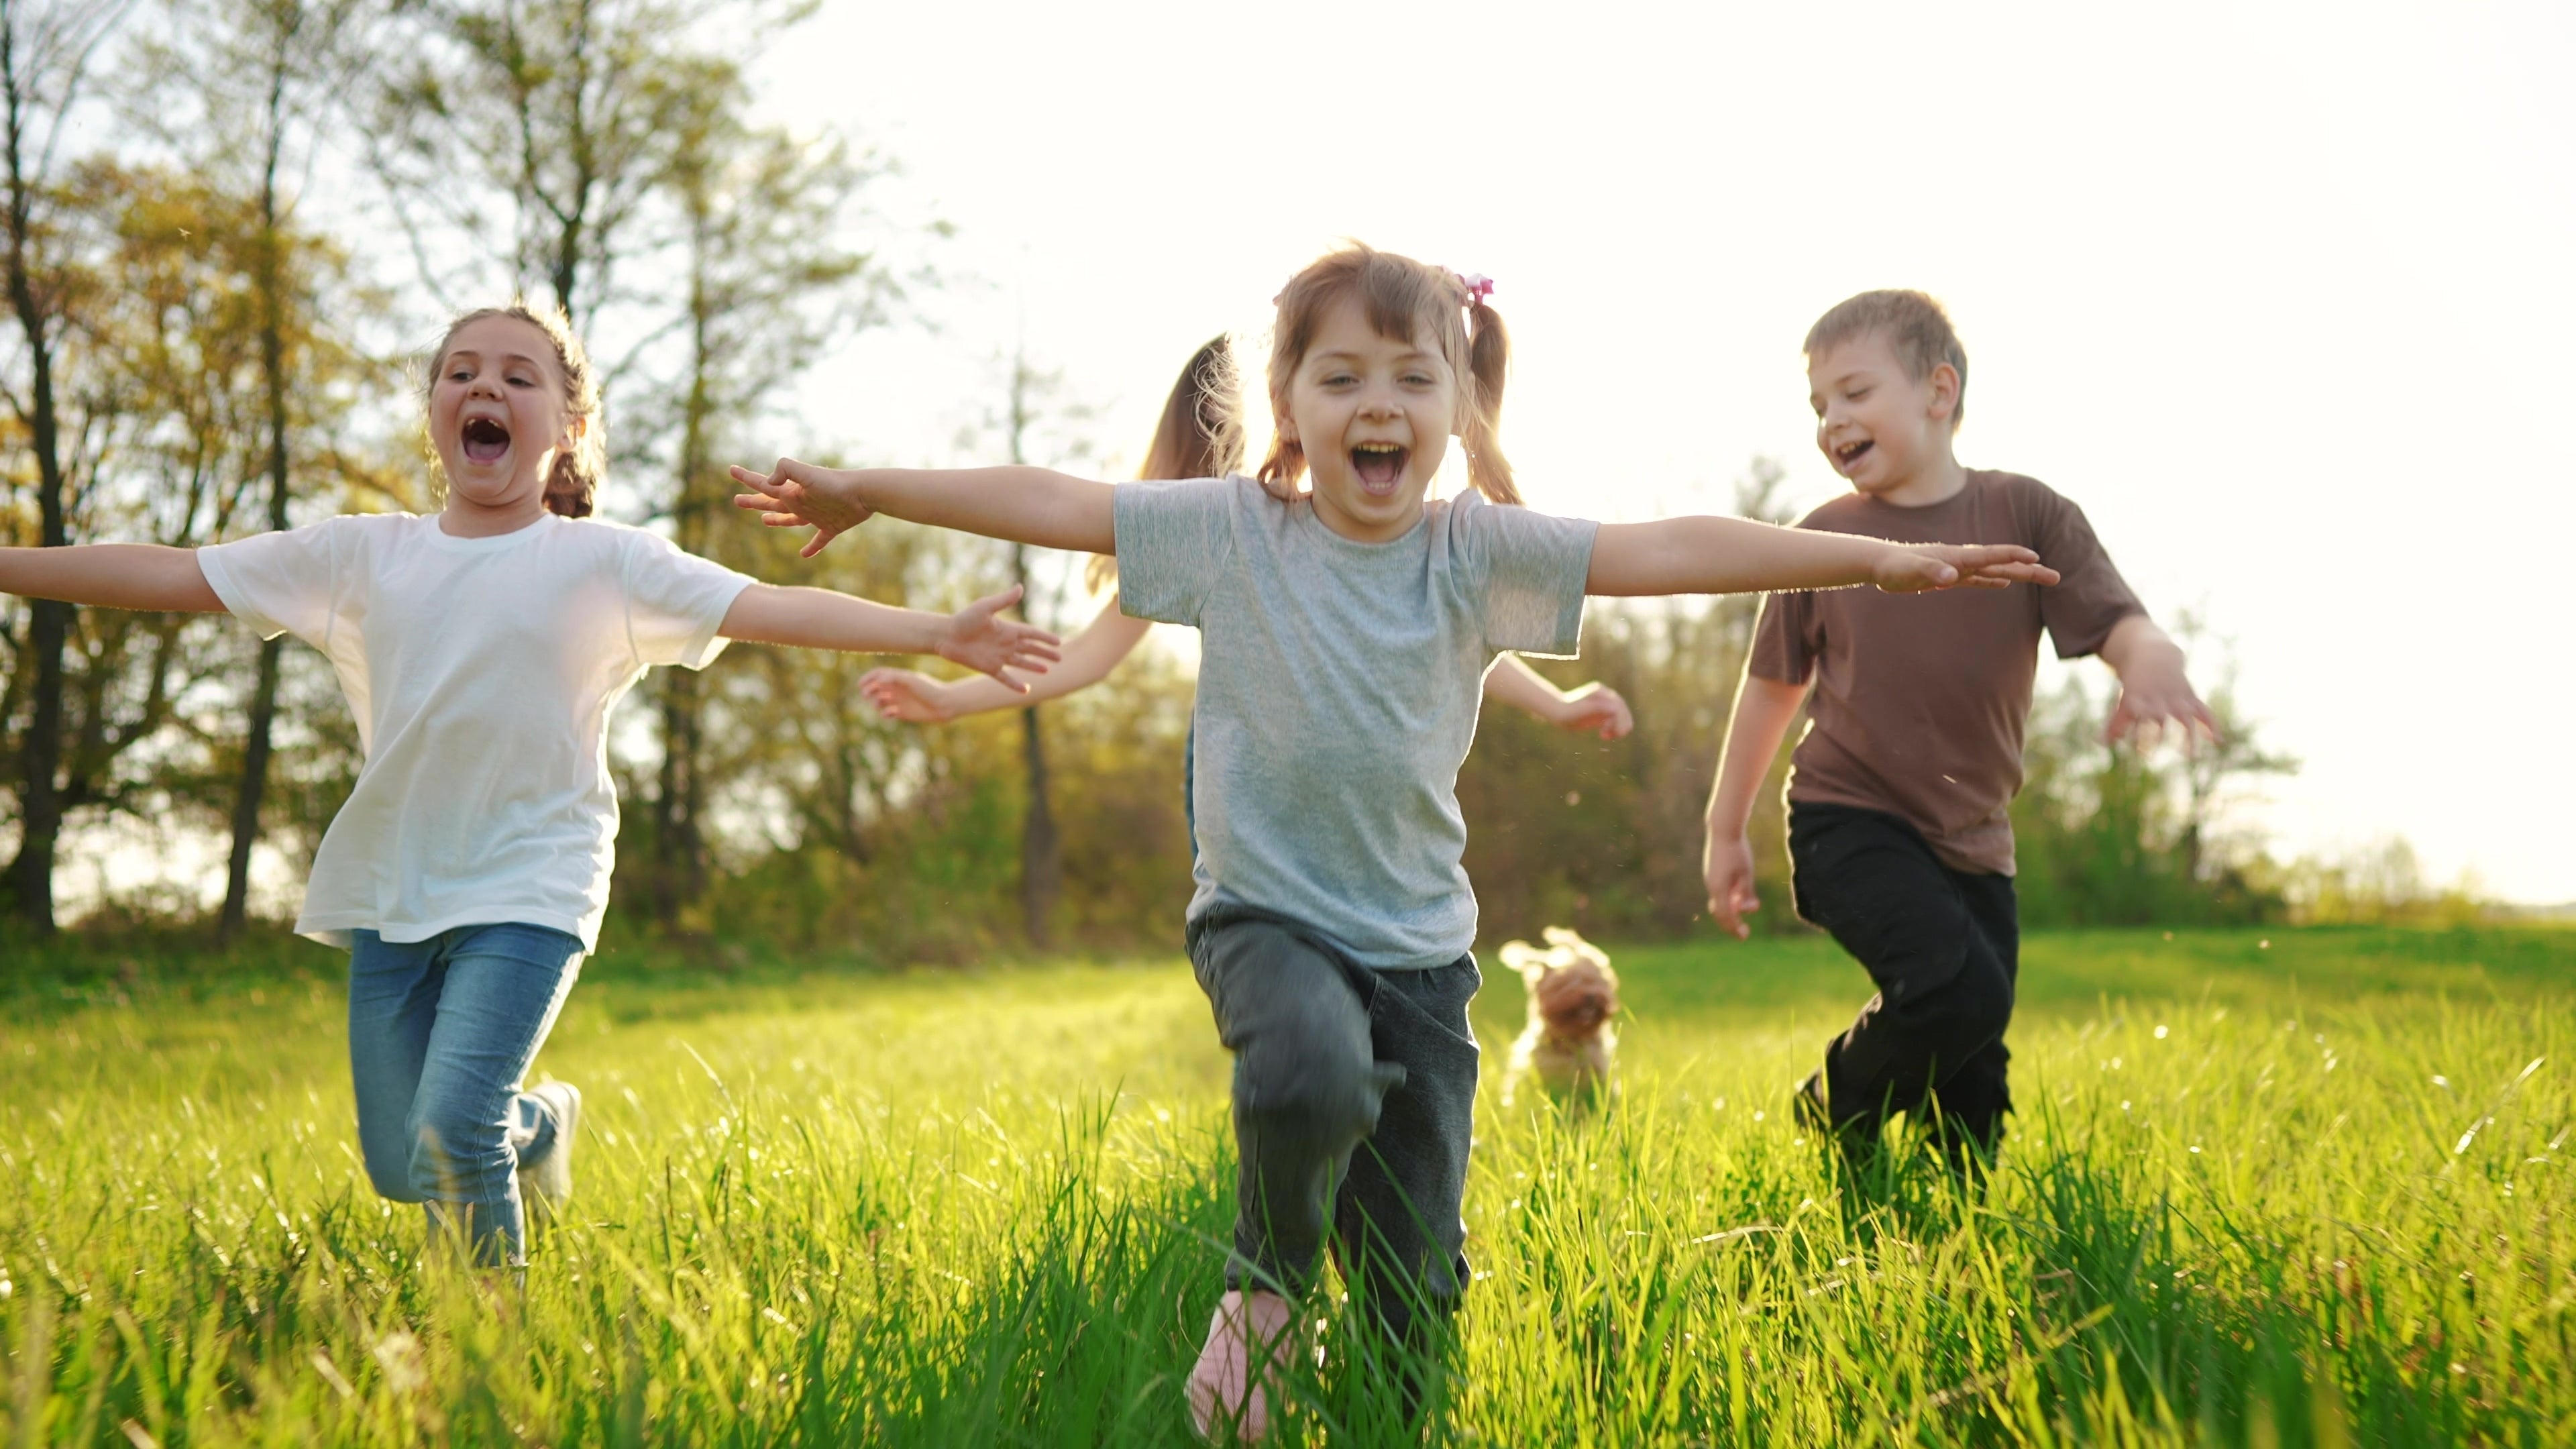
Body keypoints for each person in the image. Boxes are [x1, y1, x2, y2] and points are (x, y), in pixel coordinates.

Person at [729, 247, 2053, 1440]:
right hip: (1266, 918)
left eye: (1413, 378)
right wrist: (869, 489)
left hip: (1421, 958)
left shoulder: (1476, 554)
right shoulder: (1231, 533)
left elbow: (1663, 547)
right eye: (1342, 375)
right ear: (1287, 403)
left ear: (1457, 408)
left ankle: (1369, 1391)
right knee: (1307, 1071)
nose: (1379, 403)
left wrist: (1871, 562)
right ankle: (1264, 1290)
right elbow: (1054, 500)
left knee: (1416, 1307)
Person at [0, 302, 1058, 1271]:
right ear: (436, 415)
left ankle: (490, 1362)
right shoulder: (364, 555)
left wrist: (937, 632)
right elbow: (174, 571)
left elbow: (769, 605)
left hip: (534, 880)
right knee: (403, 1164)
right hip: (396, 883)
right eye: (461, 371)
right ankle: (542, 1128)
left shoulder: (605, 564)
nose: (485, 387)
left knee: (455, 1131)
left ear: (568, 427)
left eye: (518, 376)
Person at [1700, 288, 2214, 1175]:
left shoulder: (2027, 514)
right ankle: (1836, 1103)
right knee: (1955, 992)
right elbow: (1770, 690)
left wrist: (2152, 659)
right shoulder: (1821, 540)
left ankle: (1952, 1217)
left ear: (1939, 392)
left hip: (1975, 839)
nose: (1832, 420)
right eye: (1819, 404)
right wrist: (1724, 829)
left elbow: (2117, 618)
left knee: (1973, 1060)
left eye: (1855, 392)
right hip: (1847, 818)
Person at [855, 336, 1634, 742]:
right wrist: (952, 700)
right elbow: (1083, 658)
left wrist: (1555, 703)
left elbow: (1454, 637)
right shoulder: (1210, 540)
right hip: (1250, 806)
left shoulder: (1382, 533)